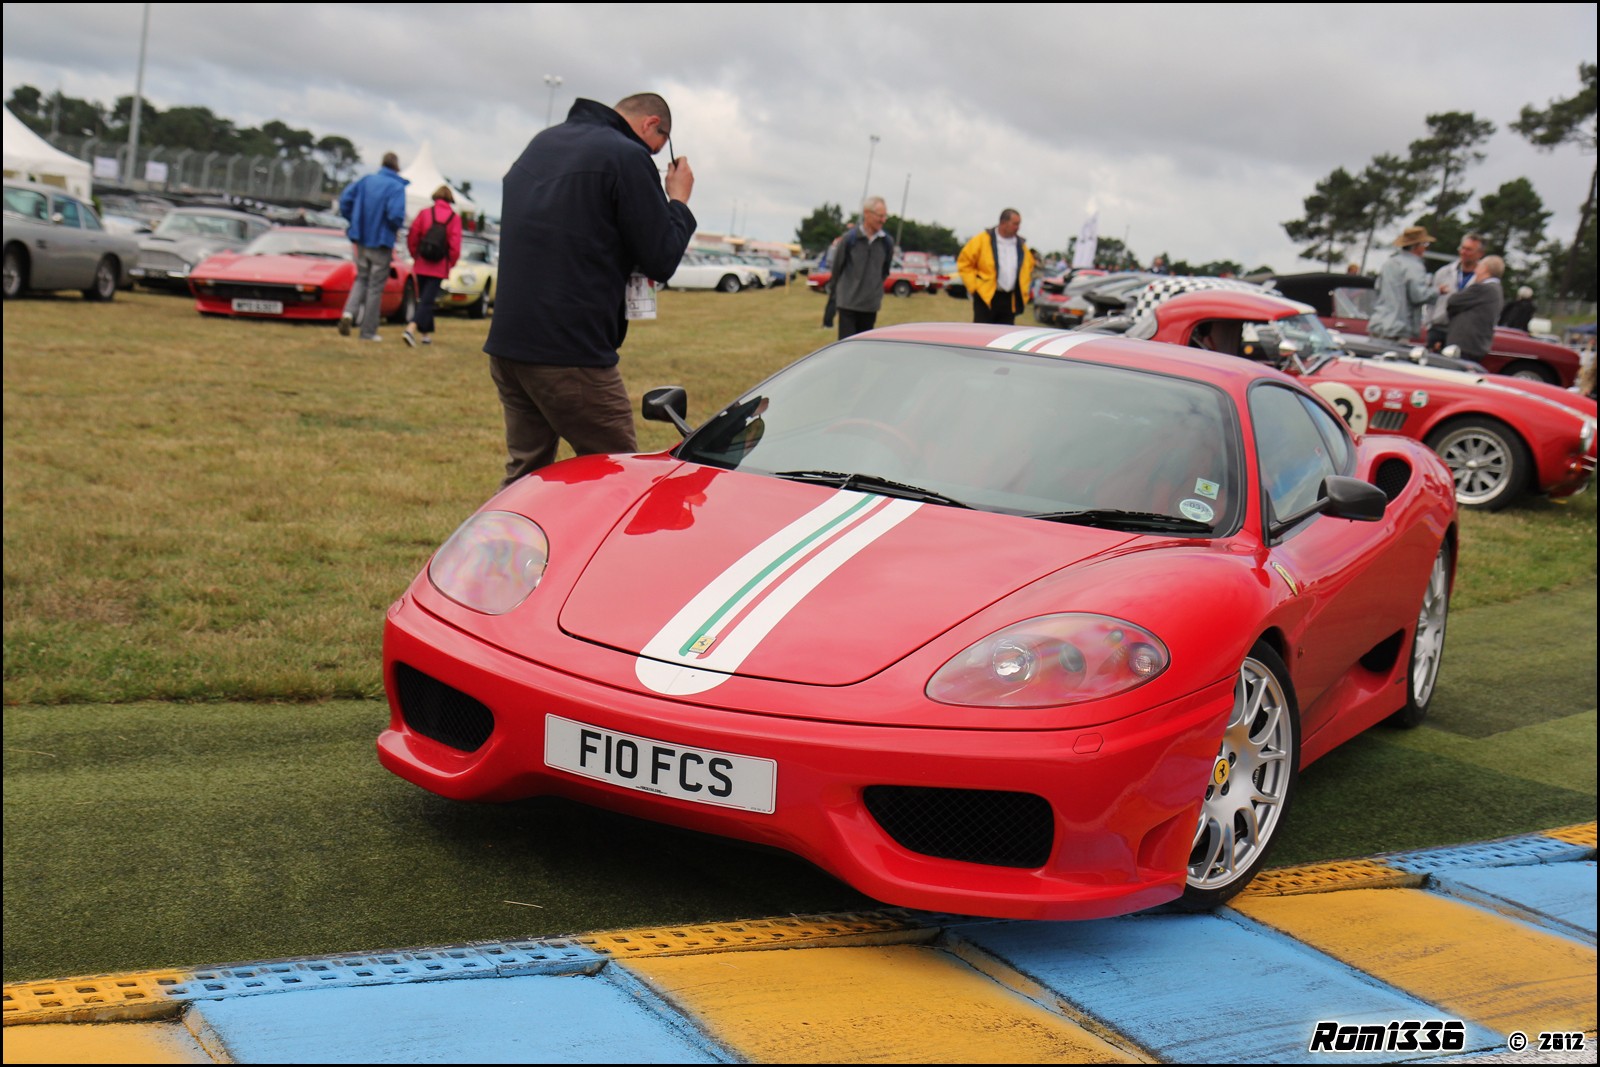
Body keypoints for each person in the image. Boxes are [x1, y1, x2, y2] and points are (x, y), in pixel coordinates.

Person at [484, 93, 695, 488]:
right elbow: (661, 257)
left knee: (525, 478)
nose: (654, 156)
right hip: (569, 351)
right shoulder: (626, 156)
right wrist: (678, 199)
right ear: (651, 125)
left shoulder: (544, 142)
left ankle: (502, 548)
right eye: (659, 147)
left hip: (509, 344)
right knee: (617, 476)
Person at [337, 152, 409, 342]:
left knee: (361, 279)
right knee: (375, 287)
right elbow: (395, 214)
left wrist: (353, 221)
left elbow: (345, 201)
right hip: (381, 241)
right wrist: (394, 228)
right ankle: (368, 331)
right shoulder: (396, 186)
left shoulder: (366, 180)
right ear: (397, 166)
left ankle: (348, 313)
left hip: (360, 238)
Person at [403, 185, 462, 347]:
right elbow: (455, 245)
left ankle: (426, 335)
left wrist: (415, 254)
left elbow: (413, 235)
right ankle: (411, 328)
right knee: (427, 301)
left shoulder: (424, 213)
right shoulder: (454, 218)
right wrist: (450, 263)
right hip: (439, 265)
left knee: (423, 298)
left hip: (422, 262)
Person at [828, 198, 895, 339]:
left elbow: (884, 271)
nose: (883, 220)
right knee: (847, 349)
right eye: (880, 216)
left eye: (885, 216)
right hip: (848, 304)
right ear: (867, 214)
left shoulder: (887, 242)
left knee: (863, 351)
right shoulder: (849, 239)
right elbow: (837, 269)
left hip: (870, 306)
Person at [957, 208, 1032, 325]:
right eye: (1015, 224)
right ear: (1003, 223)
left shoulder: (1021, 246)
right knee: (981, 335)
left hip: (1009, 299)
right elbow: (964, 263)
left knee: (1005, 338)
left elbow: (1028, 269)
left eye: (1019, 224)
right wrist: (974, 287)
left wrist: (1024, 291)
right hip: (986, 296)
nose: (1018, 227)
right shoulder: (982, 240)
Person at [1369, 225, 1436, 342]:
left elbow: (1378, 288)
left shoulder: (1389, 263)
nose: (1425, 248)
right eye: (1425, 244)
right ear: (1416, 246)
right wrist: (1437, 291)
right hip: (1399, 327)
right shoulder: (1415, 266)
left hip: (1379, 322)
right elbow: (1418, 295)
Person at [1424, 233, 1484, 350]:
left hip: (1464, 333)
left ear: (1480, 254)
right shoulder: (1444, 272)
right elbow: (1431, 299)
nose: (1464, 252)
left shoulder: (1482, 278)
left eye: (1469, 250)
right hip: (1438, 328)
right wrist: (1428, 323)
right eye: (1462, 248)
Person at [1444, 255, 1505, 359]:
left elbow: (1453, 301)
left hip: (1464, 346)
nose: (1476, 270)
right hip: (1476, 345)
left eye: (1479, 266)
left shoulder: (1483, 288)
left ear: (1485, 269)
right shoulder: (1497, 289)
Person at [819, 222, 854, 329]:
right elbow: (832, 260)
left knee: (834, 301)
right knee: (834, 301)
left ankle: (828, 322)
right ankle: (828, 323)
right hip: (839, 275)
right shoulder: (842, 241)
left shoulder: (841, 241)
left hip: (839, 274)